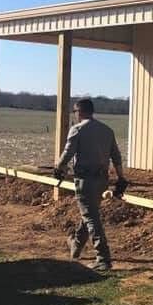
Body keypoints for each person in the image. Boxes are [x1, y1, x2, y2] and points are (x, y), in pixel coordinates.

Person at [53, 98, 127, 272]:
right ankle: (76, 244)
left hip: (85, 180)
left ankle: (103, 258)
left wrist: (59, 167)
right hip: (102, 181)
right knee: (89, 213)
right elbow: (116, 156)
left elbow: (67, 153)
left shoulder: (77, 130)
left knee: (91, 217)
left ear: (80, 111)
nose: (75, 115)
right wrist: (121, 178)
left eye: (75, 112)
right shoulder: (107, 131)